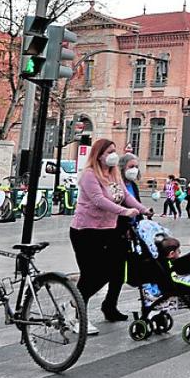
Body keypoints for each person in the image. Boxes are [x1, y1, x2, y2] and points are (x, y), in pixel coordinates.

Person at [69, 138, 143, 333]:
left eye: (114, 150)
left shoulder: (114, 174)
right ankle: (77, 316)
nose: (113, 155)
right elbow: (98, 200)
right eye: (109, 151)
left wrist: (143, 209)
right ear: (99, 154)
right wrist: (124, 212)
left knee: (110, 271)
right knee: (91, 274)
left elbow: (126, 196)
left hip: (106, 230)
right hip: (85, 230)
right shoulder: (89, 175)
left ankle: (74, 303)